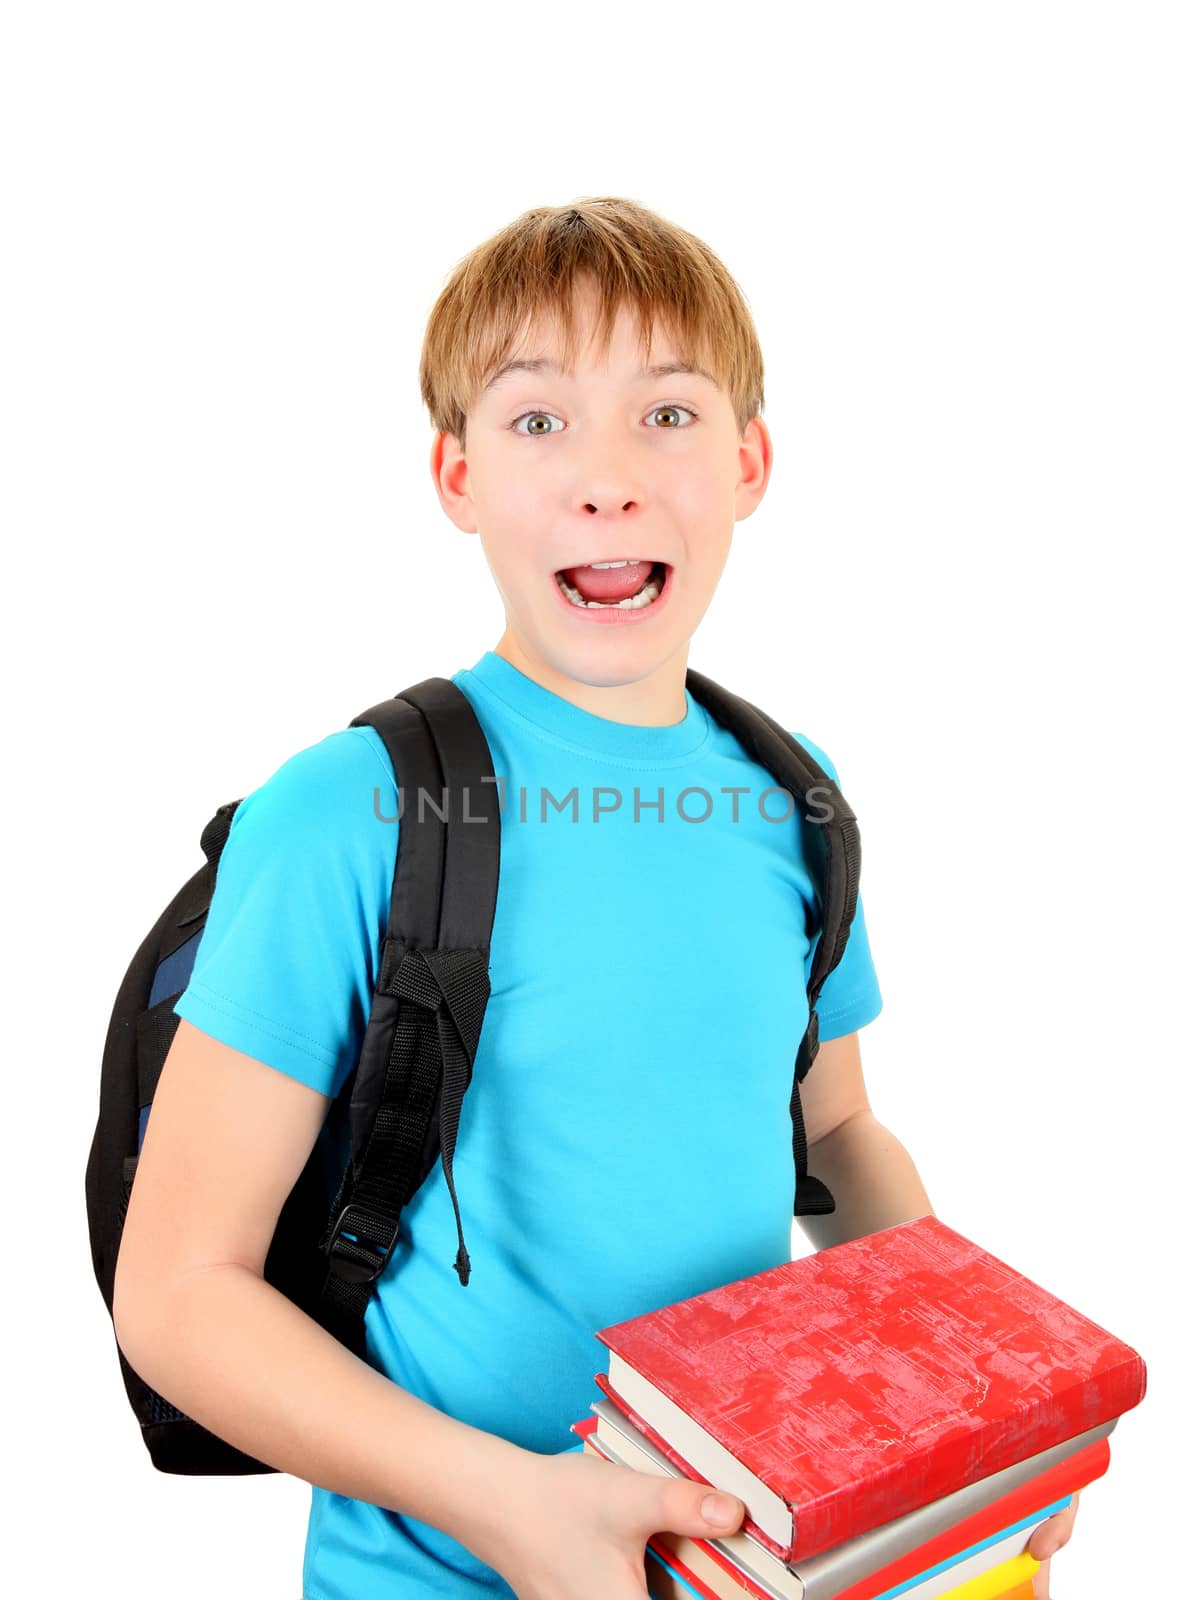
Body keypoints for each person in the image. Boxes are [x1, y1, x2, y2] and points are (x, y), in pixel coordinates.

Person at [112, 197, 1077, 1600]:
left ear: (751, 462)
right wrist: (512, 1509)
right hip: (434, 1573)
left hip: (754, 1562)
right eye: (538, 420)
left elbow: (841, 1132)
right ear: (455, 476)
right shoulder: (342, 814)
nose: (608, 478)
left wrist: (980, 1419)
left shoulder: (791, 799)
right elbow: (179, 1293)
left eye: (669, 416)